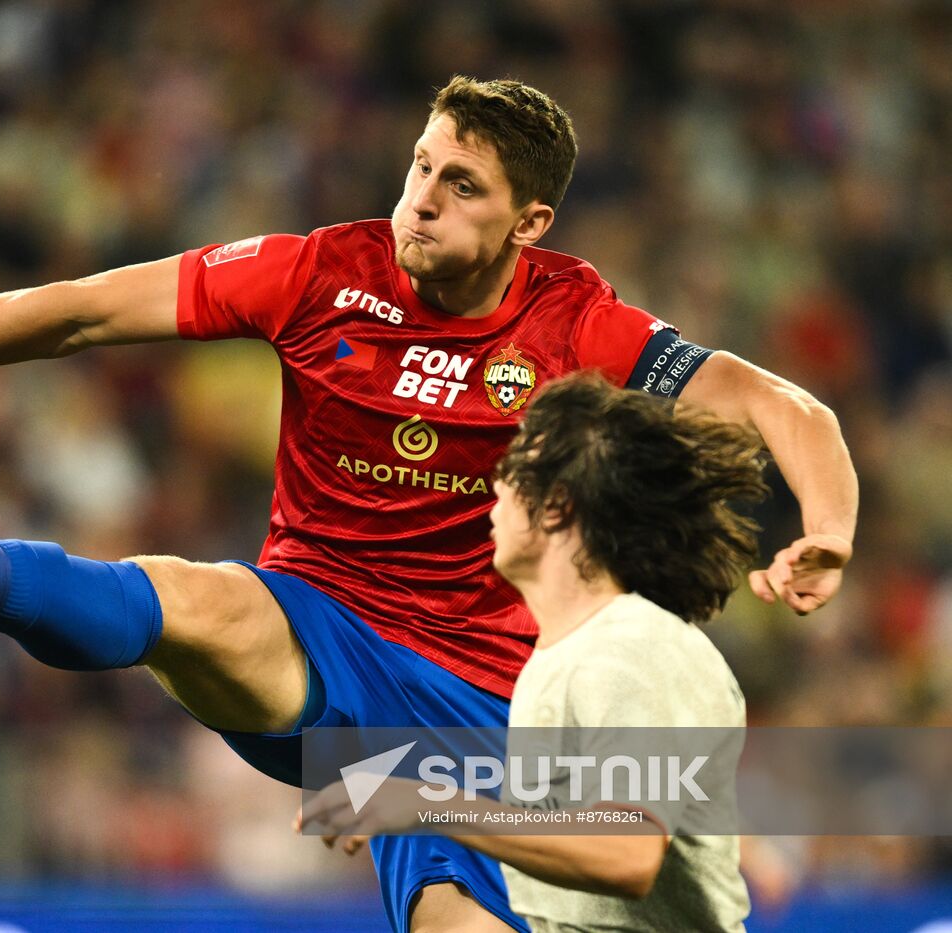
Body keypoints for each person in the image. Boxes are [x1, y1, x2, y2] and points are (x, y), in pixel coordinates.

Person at [0, 75, 857, 932]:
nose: (420, 201)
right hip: (317, 627)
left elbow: (778, 405)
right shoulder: (320, 273)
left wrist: (826, 529)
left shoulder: (578, 326)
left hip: (472, 713)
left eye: (461, 188)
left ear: (528, 225)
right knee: (198, 601)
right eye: (418, 167)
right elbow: (78, 310)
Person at [300, 372, 767, 932]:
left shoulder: (632, 647)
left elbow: (627, 852)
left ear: (556, 508)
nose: (493, 486)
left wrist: (427, 804)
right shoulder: (562, 660)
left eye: (515, 469)